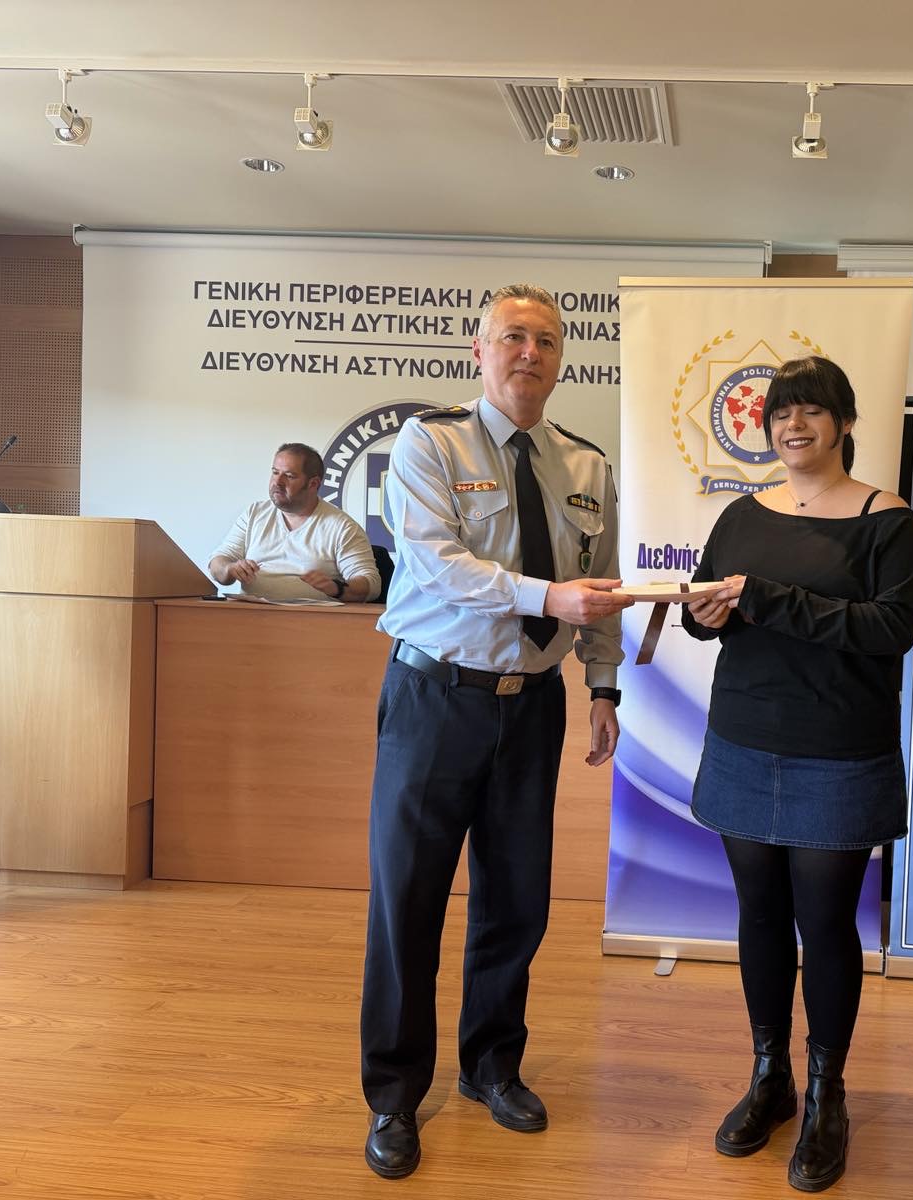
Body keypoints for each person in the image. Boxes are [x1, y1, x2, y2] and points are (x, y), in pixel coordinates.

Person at [360, 283, 632, 1180]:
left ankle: (491, 1067)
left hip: (534, 705)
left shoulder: (588, 466)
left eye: (546, 341)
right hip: (435, 699)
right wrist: (547, 597)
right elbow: (436, 564)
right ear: (479, 352)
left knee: (516, 899)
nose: (529, 353)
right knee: (408, 899)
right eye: (512, 337)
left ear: (561, 362)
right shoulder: (429, 444)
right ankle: (395, 1095)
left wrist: (602, 686)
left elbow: (600, 585)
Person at [683, 356, 913, 1193]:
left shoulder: (886, 519)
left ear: (845, 423)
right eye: (782, 412)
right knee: (758, 914)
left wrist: (768, 598)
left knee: (824, 923)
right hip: (744, 737)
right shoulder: (741, 514)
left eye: (813, 411)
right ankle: (771, 1077)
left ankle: (828, 1094)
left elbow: (891, 629)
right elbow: (711, 616)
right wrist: (704, 614)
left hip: (839, 748)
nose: (795, 425)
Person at [208, 442, 380, 602]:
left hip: (313, 620)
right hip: (251, 616)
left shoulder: (342, 527)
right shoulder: (255, 513)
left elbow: (371, 584)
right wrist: (229, 568)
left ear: (313, 484)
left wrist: (337, 588)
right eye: (275, 472)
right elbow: (218, 563)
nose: (277, 482)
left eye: (289, 476)